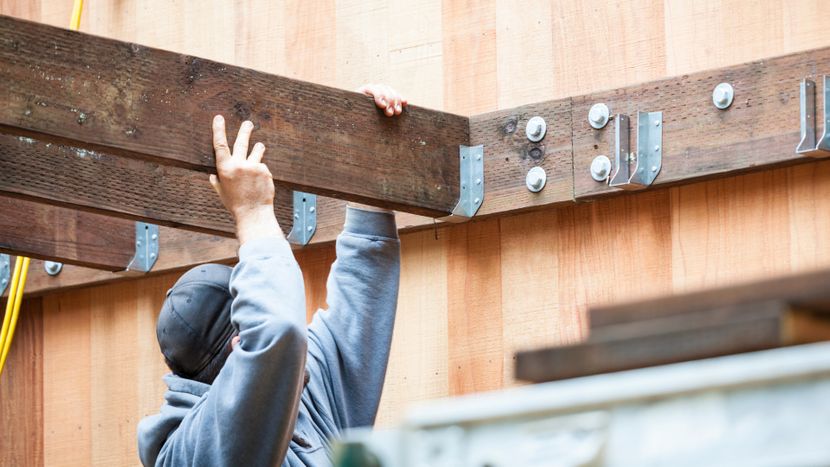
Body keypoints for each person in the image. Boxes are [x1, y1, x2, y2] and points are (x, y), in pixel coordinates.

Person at [137, 84, 407, 466]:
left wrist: (369, 155)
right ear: (240, 350)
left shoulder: (306, 391)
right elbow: (278, 333)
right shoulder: (194, 453)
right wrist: (252, 212)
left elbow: (364, 291)